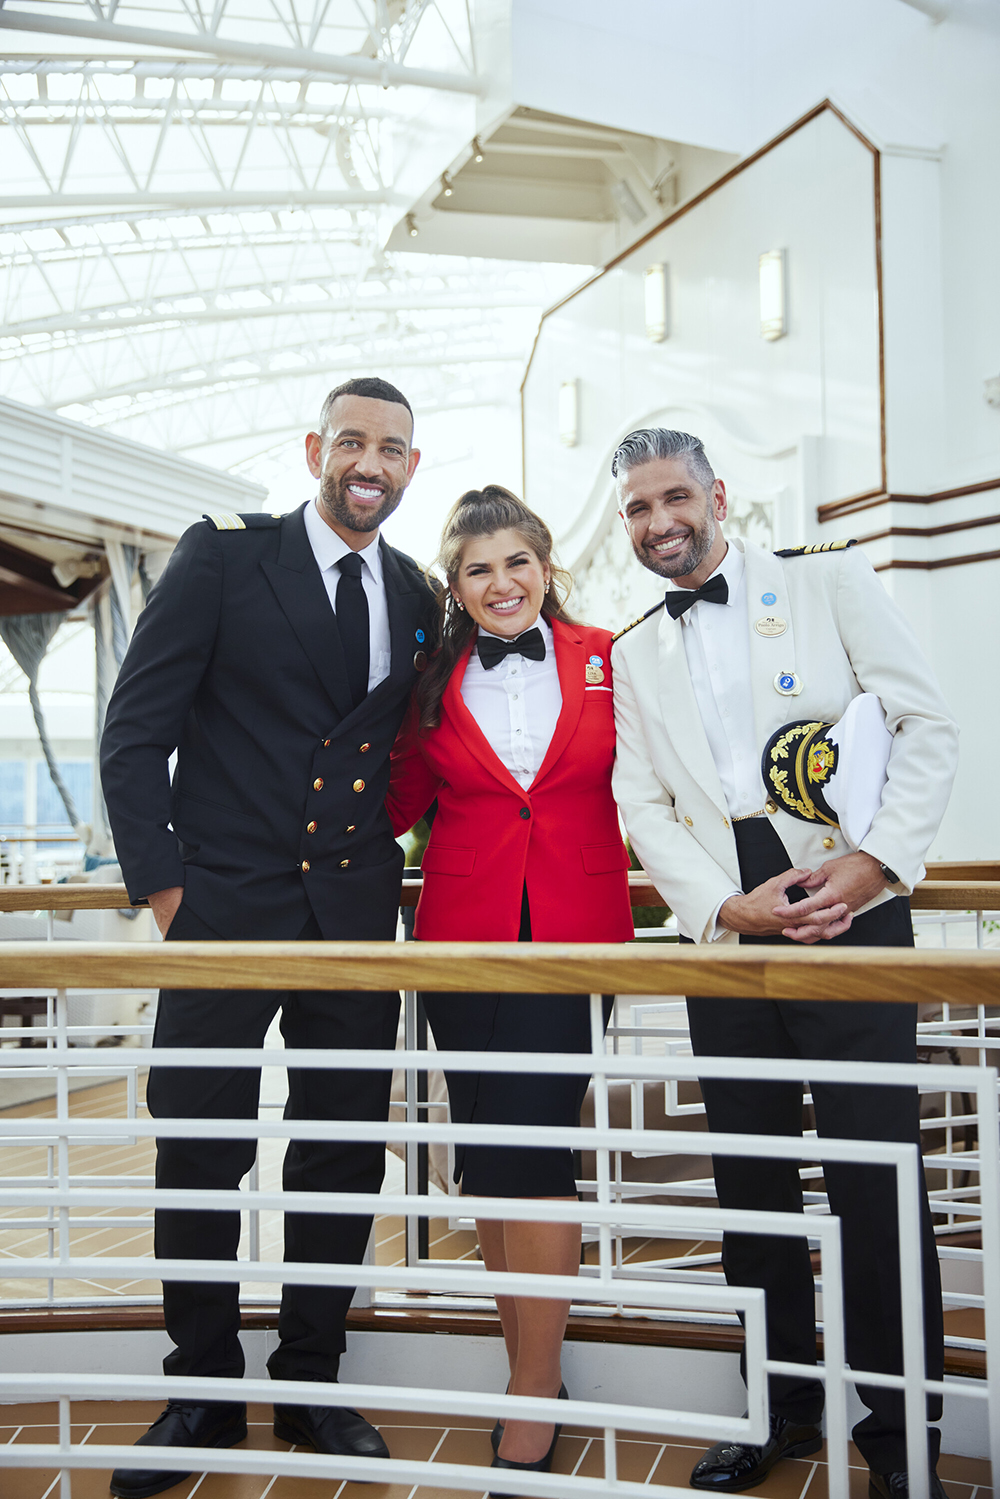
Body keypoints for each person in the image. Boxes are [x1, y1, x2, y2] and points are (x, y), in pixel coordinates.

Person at [100, 376, 437, 1498]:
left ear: (410, 467)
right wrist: (165, 893)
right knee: (200, 1144)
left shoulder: (416, 590)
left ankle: (311, 1378)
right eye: (351, 440)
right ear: (314, 449)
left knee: (339, 1153)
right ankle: (198, 1380)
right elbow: (133, 732)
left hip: (352, 919)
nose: (369, 463)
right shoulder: (224, 555)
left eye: (390, 448)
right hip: (222, 914)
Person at [608, 428, 958, 1498]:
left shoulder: (829, 579)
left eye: (674, 497)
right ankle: (781, 1409)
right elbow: (641, 801)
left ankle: (902, 1443)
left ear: (717, 493)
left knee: (878, 1186)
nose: (660, 522)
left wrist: (872, 863)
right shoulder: (629, 651)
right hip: (728, 930)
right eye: (636, 508)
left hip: (851, 906)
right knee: (749, 1182)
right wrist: (721, 904)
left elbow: (925, 723)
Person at [386, 486, 633, 1491]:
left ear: (545, 564)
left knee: (533, 1145)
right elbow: (395, 791)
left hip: (576, 931)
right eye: (479, 568)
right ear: (456, 584)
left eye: (517, 561)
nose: (502, 583)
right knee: (489, 1150)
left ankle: (532, 1391)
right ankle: (525, 1360)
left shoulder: (605, 655)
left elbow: (660, 776)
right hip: (461, 933)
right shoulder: (431, 676)